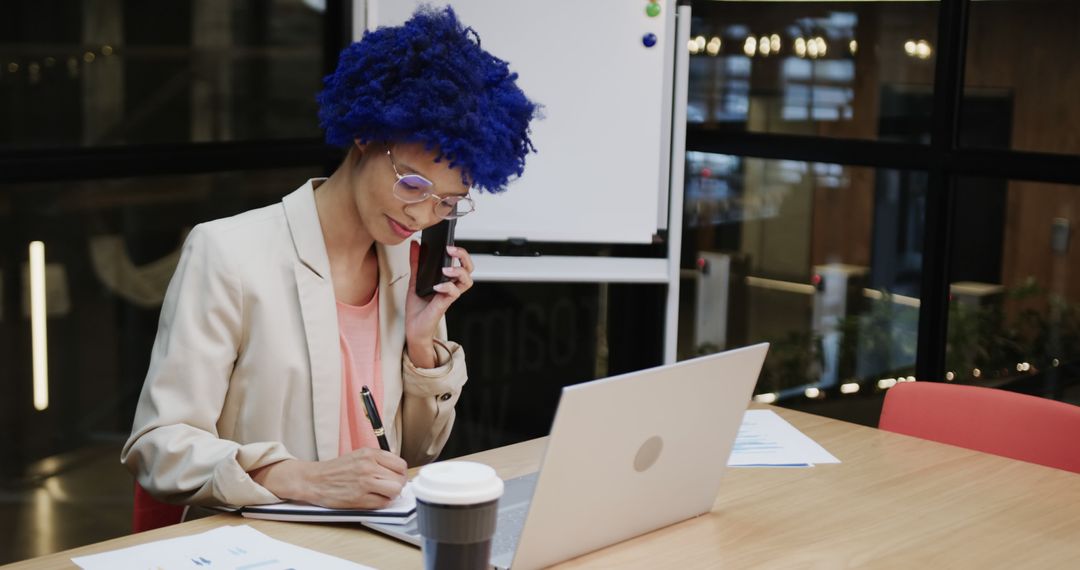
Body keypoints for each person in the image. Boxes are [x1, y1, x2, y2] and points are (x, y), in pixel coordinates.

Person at [121, 6, 538, 512]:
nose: (425, 215)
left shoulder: (405, 267)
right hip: (260, 547)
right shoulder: (229, 253)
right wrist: (298, 478)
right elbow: (158, 447)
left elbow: (414, 456)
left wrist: (421, 344)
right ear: (365, 135)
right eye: (413, 184)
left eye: (448, 203)